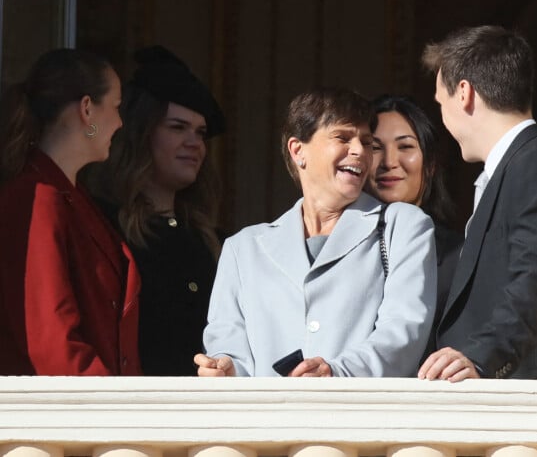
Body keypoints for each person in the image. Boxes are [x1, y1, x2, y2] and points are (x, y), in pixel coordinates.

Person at [194, 87, 437, 377]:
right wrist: (225, 367)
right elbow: (229, 342)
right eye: (343, 138)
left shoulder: (404, 226)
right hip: (268, 419)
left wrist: (337, 373)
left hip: (358, 417)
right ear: (298, 151)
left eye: (366, 141)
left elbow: (404, 331)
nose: (360, 151)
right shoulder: (243, 248)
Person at [418, 25, 537, 381]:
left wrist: (480, 357)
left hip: (528, 406)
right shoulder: (510, 170)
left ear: (464, 93)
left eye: (440, 104)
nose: (442, 119)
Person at [0, 48, 141, 375]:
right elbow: (51, 341)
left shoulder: (71, 195)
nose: (120, 123)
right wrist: (116, 411)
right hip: (67, 417)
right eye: (117, 107)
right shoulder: (36, 198)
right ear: (87, 109)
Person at [94, 45, 225, 376]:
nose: (194, 142)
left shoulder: (214, 241)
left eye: (201, 133)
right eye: (177, 128)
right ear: (141, 134)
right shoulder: (102, 228)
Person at [364, 94, 462, 349]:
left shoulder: (460, 257)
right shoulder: (340, 247)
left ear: (430, 165)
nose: (389, 162)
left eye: (405, 147)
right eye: (375, 147)